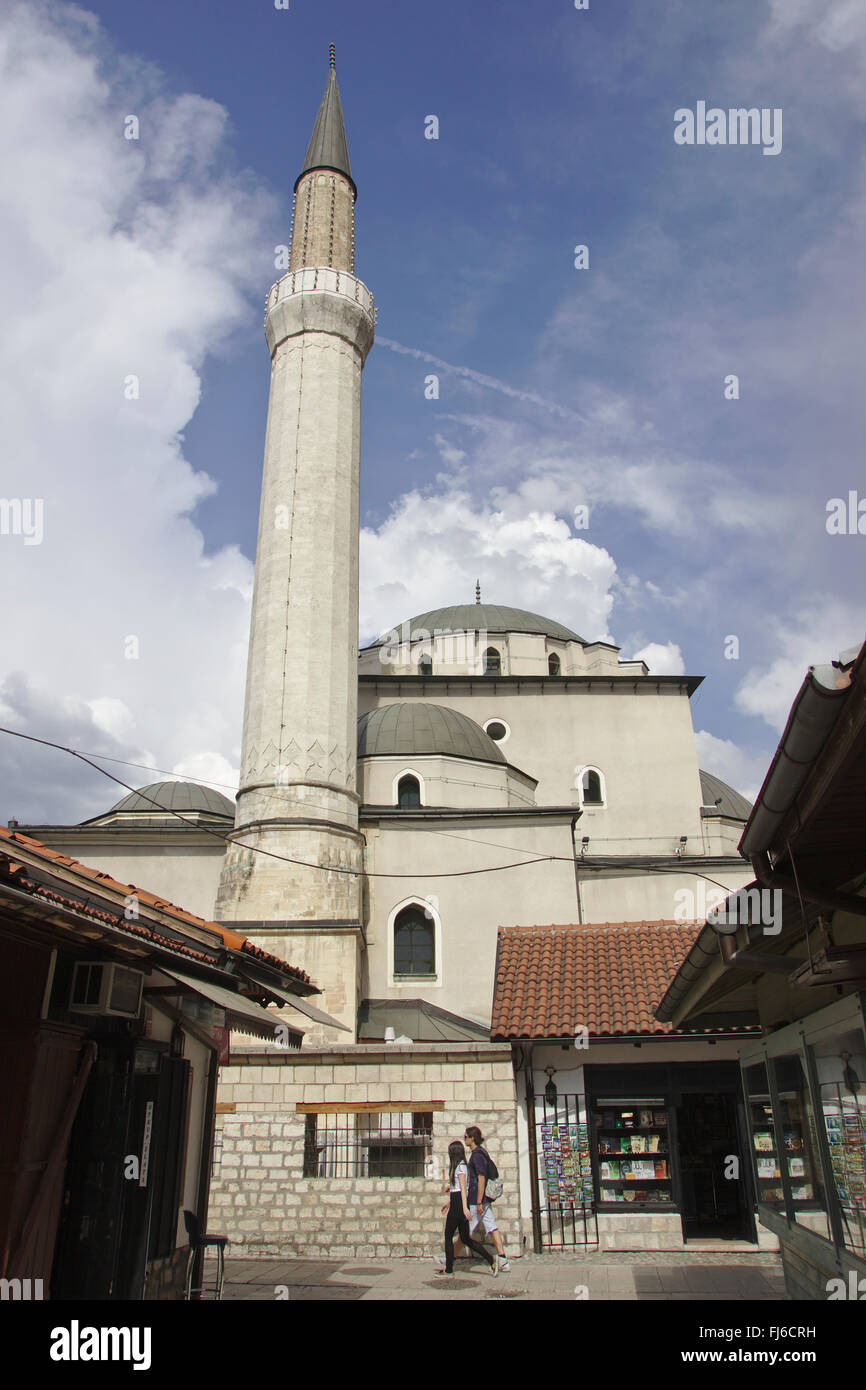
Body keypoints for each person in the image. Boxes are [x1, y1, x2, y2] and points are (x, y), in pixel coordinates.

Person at [435, 1139, 497, 1277]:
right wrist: (449, 1202)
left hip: (459, 1205)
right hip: (457, 1203)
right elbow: (457, 1189)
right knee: (465, 1238)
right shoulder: (461, 1166)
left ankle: (449, 1270)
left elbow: (463, 1189)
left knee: (448, 1236)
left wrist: (464, 1208)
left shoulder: (461, 1167)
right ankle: (491, 1259)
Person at [462, 1125, 510, 1270]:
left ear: (472, 1138)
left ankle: (449, 1259)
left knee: (465, 1230)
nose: (464, 1139)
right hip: (482, 1200)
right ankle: (503, 1260)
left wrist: (478, 1201)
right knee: (491, 1227)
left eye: (465, 1137)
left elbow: (481, 1178)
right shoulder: (481, 1153)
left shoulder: (477, 1155)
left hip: (477, 1199)